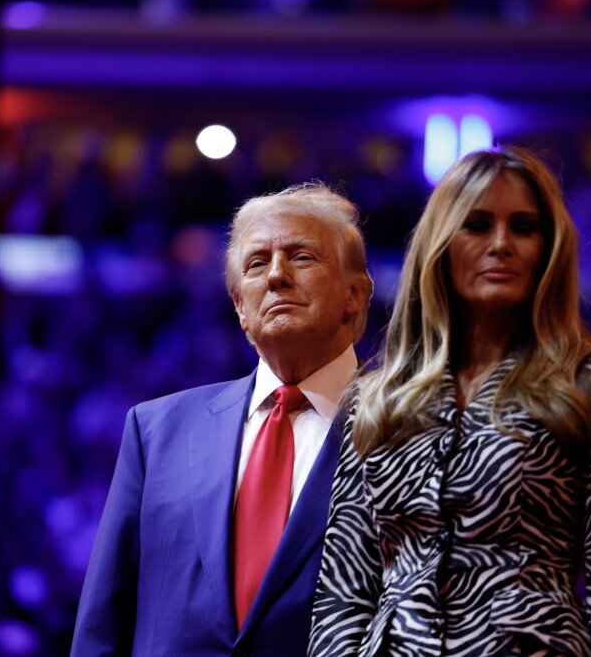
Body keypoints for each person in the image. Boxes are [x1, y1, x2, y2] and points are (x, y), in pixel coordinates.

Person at [309, 147, 591, 656]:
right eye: (476, 225)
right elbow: (344, 593)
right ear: (441, 244)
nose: (502, 244)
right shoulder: (375, 396)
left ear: (550, 247)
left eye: (523, 227)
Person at [71, 182, 373, 656]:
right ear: (239, 307)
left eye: (302, 257)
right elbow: (102, 628)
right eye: (257, 263)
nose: (276, 276)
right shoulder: (155, 432)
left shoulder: (411, 432)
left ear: (355, 294)